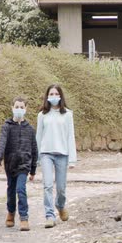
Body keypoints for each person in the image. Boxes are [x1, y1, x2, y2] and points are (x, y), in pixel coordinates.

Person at [0, 97, 38, 231]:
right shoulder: (6, 127)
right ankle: (11, 212)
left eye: (22, 107)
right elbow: (2, 143)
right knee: (11, 190)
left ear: (26, 109)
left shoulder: (30, 129)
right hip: (10, 164)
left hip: (24, 165)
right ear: (12, 108)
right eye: (17, 107)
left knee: (21, 189)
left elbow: (34, 149)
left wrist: (33, 170)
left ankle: (24, 218)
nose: (19, 109)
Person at [36, 84, 77, 228]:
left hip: (62, 154)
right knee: (47, 185)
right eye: (51, 94)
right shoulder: (42, 115)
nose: (53, 96)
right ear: (47, 96)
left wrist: (72, 159)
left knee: (61, 188)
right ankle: (49, 215)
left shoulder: (68, 114)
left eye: (56, 94)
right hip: (46, 153)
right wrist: (36, 158)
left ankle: (60, 205)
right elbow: (38, 136)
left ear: (60, 96)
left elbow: (70, 136)